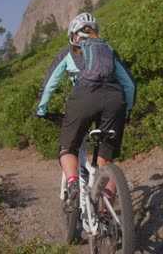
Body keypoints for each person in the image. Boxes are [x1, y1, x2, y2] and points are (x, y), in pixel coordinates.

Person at [34, 12, 136, 202]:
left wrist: (41, 111)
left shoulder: (68, 53)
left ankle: (73, 184)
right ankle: (106, 216)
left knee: (68, 148)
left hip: (83, 98)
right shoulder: (109, 51)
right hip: (114, 99)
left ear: (73, 36)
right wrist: (127, 112)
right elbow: (130, 85)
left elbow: (49, 85)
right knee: (106, 161)